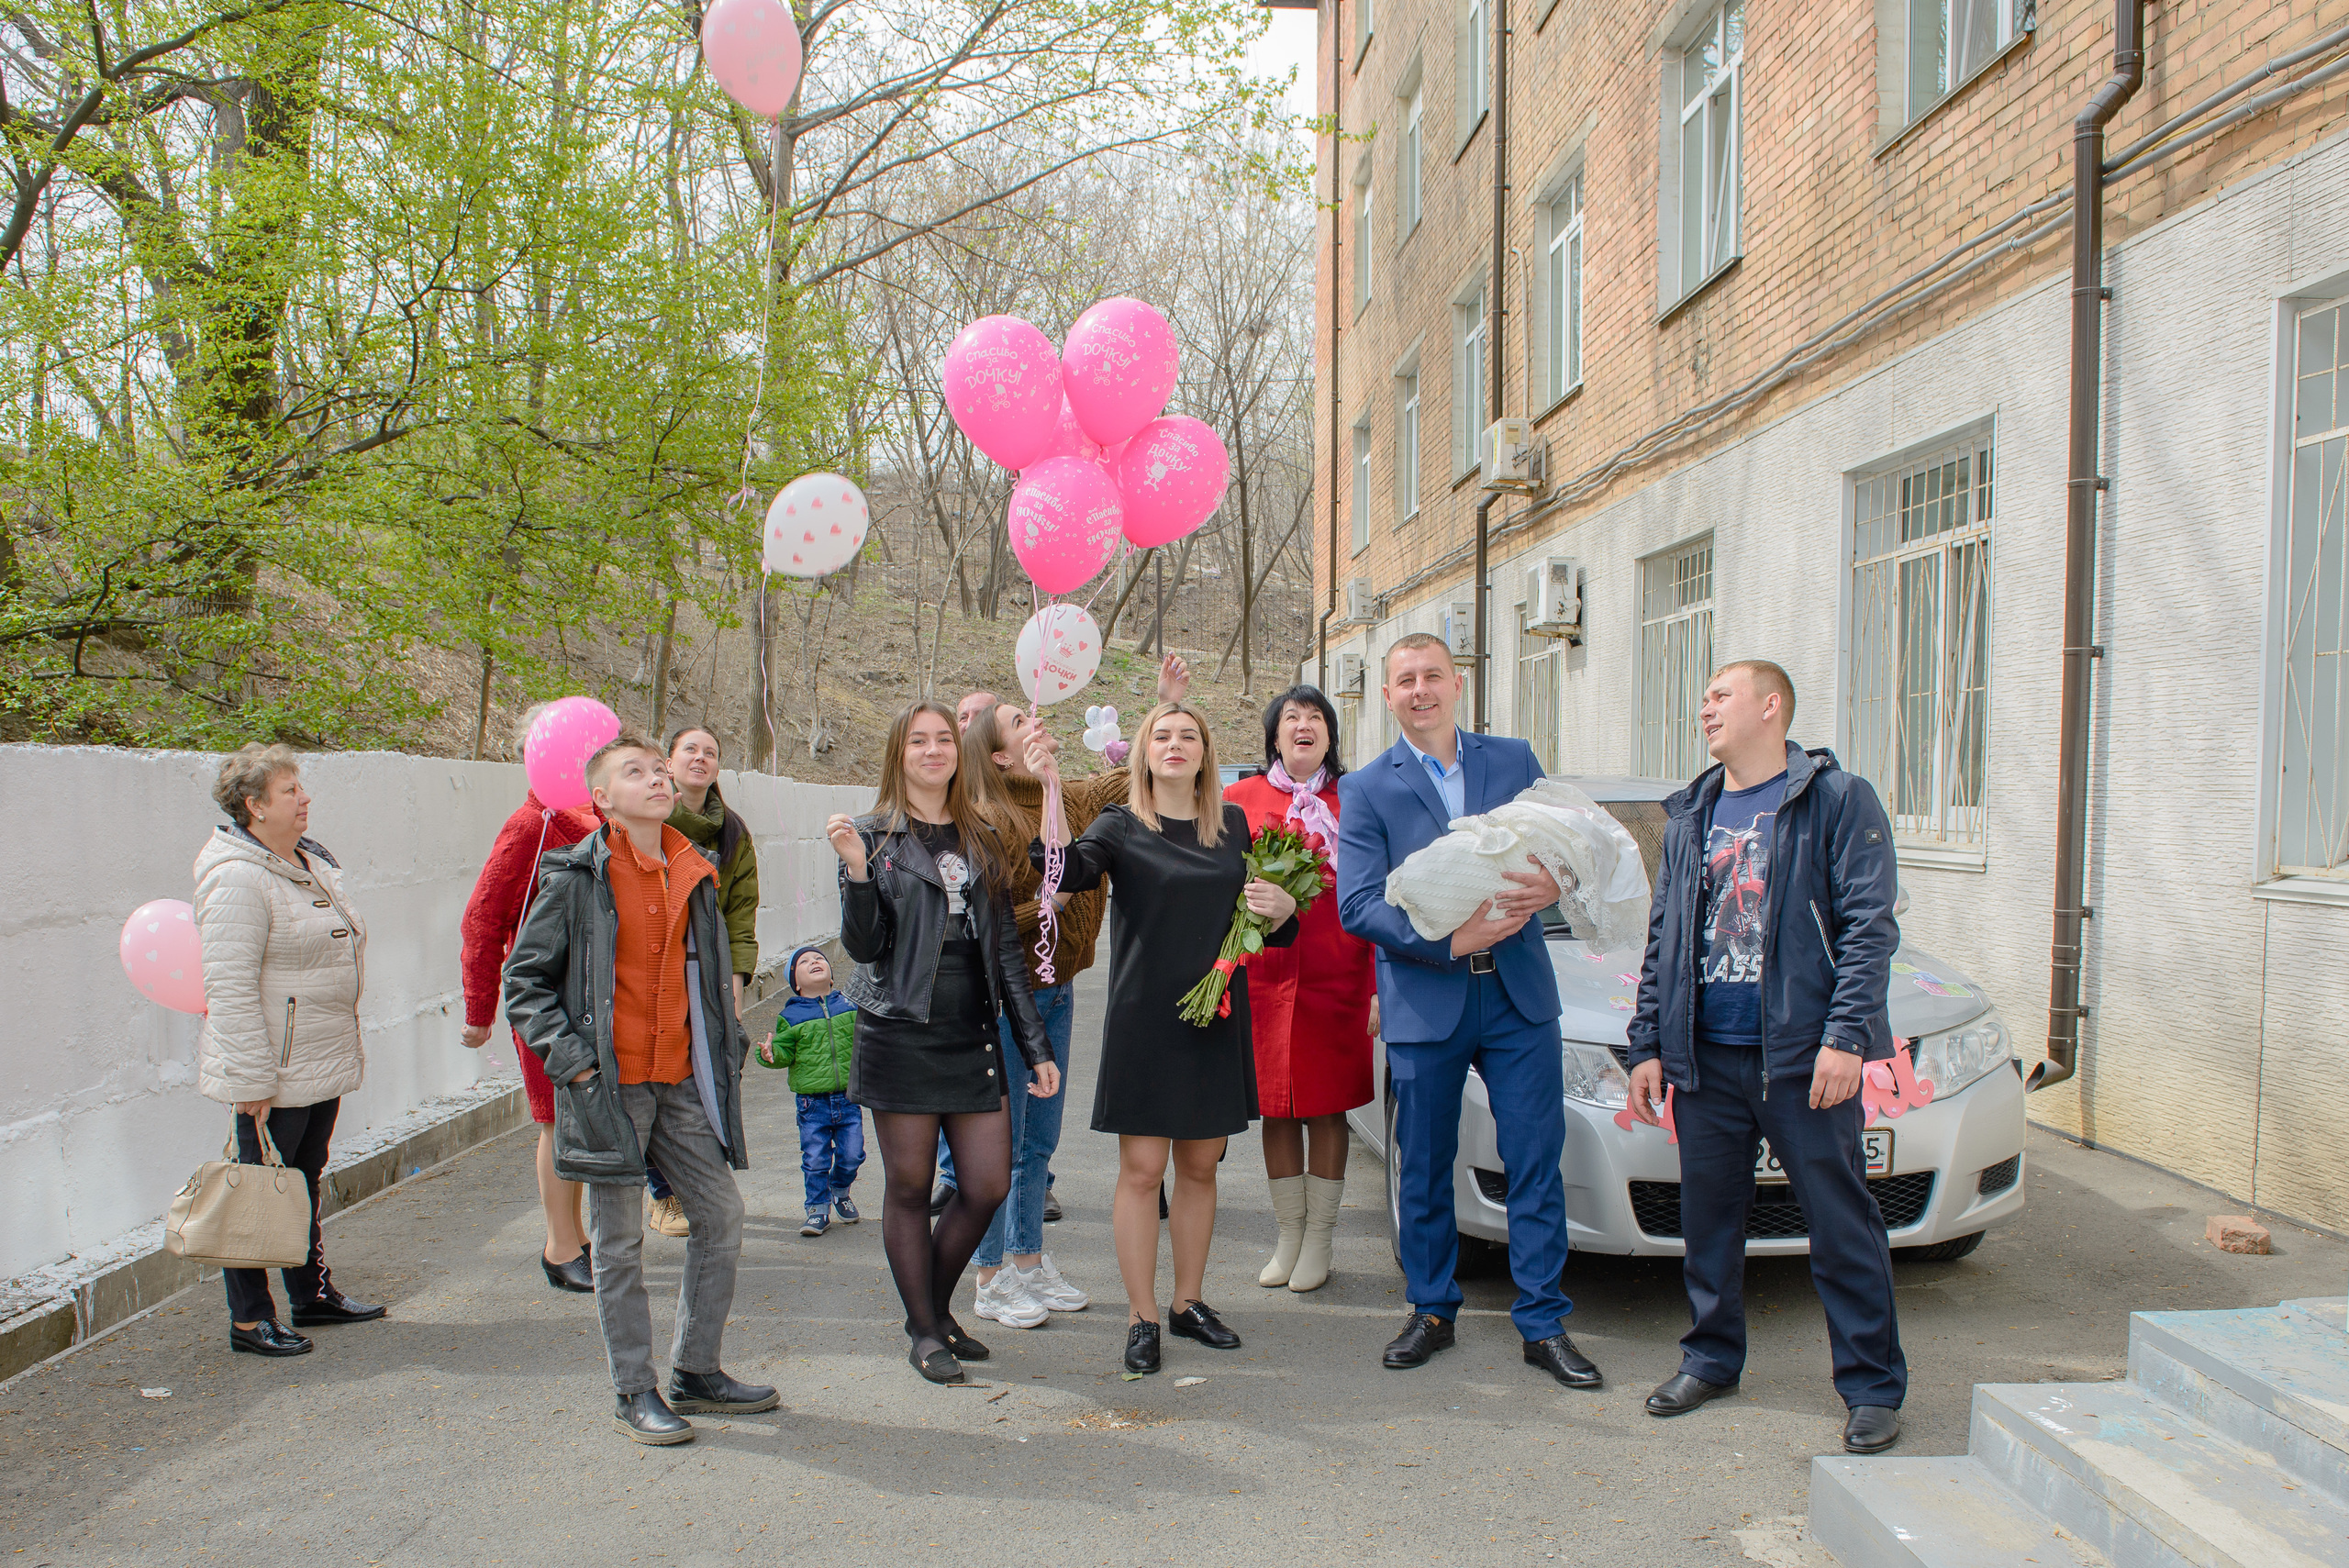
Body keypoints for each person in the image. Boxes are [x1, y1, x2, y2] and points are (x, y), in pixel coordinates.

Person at [1626, 661, 1907, 1456]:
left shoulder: (1836, 800)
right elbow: (1664, 940)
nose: (1704, 706)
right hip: (1707, 1059)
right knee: (1709, 1223)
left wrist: (1847, 1036)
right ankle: (1711, 1357)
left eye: (1721, 694)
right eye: (1704, 694)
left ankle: (1872, 1386)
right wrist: (1648, 1041)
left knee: (1840, 1224)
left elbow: (1867, 925)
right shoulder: (1691, 814)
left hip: (1800, 1059)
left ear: (1771, 705)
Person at [1336, 634, 1601, 1390]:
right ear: (1387, 696)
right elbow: (1358, 905)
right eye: (1404, 680)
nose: (1420, 689)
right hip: (1428, 993)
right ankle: (1431, 1308)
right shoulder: (1366, 788)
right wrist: (1449, 941)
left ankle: (1544, 1320)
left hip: (1518, 996)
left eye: (1432, 676)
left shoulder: (1514, 760)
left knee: (1534, 1160)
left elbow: (1568, 845)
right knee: (1420, 1164)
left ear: (1459, 682)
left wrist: (1553, 886)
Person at [503, 734, 774, 1445]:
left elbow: (710, 981)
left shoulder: (696, 870)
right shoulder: (574, 876)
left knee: (720, 1215)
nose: (656, 779)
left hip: (681, 1081)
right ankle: (634, 1389)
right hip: (609, 1087)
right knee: (618, 1243)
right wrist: (577, 1064)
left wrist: (724, 1046)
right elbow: (524, 983)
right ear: (601, 797)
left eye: (660, 769)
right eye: (636, 771)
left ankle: (697, 1369)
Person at [1026, 703, 1298, 1376]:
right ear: (1143, 753)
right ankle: (1142, 1314)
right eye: (1162, 736)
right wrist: (1049, 788)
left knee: (1201, 1168)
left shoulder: (1232, 824)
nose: (1175, 745)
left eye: (1189, 736)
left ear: (1206, 753)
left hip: (1214, 1016)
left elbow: (1272, 925)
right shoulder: (1121, 824)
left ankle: (1188, 1301)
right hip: (1145, 1019)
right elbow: (1065, 870)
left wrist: (1286, 910)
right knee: (1144, 1171)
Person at [825, 702, 1061, 1385]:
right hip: (900, 1031)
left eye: (943, 740)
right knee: (909, 1185)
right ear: (898, 753)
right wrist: (859, 872)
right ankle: (928, 1328)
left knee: (986, 1184)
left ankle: (928, 1309)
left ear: (960, 752)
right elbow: (865, 948)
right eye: (918, 740)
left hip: (970, 1031)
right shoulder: (870, 833)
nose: (933, 750)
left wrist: (1035, 1044)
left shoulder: (982, 832)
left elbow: (1008, 952)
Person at [957, 655, 1192, 1329]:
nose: (1036, 721)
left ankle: (1028, 1258)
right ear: (999, 756)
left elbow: (1137, 776)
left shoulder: (1073, 795)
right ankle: (990, 1273)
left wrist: (1162, 704)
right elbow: (987, 922)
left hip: (1056, 990)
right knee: (998, 1141)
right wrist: (1050, 904)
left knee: (1038, 1142)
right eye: (1016, 720)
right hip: (1004, 999)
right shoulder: (987, 817)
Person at [195, 744, 386, 1358]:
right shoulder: (238, 877)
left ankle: (312, 1293)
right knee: (256, 1190)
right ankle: (250, 1319)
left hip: (317, 1056)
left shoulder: (308, 862)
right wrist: (250, 1078)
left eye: (301, 787)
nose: (304, 799)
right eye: (289, 791)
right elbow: (227, 985)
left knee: (303, 1179)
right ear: (254, 806)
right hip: (271, 1070)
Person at [1224, 686, 1377, 1293]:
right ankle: (1289, 1234)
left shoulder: (1357, 800)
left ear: (1331, 735)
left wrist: (1375, 985)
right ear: (1275, 735)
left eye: (1317, 717)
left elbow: (1379, 893)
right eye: (1293, 717)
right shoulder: (1241, 799)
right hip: (1265, 977)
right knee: (1278, 1106)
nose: (1305, 725)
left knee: (1326, 1105)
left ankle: (1321, 1238)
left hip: (1337, 973)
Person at [460, 705, 604, 1292]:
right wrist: (478, 1008)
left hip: (598, 994)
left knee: (588, 1117)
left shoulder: (604, 816)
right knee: (556, 1119)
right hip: (544, 997)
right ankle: (560, 1244)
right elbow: (482, 916)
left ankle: (585, 1236)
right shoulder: (531, 825)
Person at [641, 725, 763, 1240]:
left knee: (706, 1080)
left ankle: (696, 1183)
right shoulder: (647, 817)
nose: (700, 758)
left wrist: (733, 988)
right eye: (689, 749)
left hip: (705, 972)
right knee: (650, 1076)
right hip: (649, 970)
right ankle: (663, 1194)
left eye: (710, 752)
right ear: (668, 762)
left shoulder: (732, 832)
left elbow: (741, 916)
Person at [931, 689, 1004, 1215]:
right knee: (911, 1188)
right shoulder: (881, 831)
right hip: (917, 1007)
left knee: (994, 1173)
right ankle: (949, 1172)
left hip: (990, 993)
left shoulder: (989, 827)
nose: (967, 726)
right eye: (963, 717)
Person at [763, 944, 864, 1238]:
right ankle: (817, 1210)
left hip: (848, 1098)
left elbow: (865, 1038)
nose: (814, 962)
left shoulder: (848, 1005)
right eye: (804, 962)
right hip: (812, 1104)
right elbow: (783, 1051)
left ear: (832, 976)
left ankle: (840, 1189)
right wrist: (770, 1055)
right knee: (815, 1159)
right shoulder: (791, 1017)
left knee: (853, 1154)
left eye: (819, 958)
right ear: (796, 983)